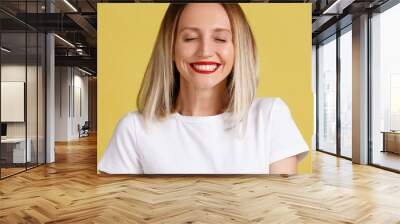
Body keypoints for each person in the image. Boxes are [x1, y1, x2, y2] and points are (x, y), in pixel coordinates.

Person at [98, 3, 309, 174]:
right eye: (190, 38)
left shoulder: (270, 116)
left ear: (238, 49)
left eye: (221, 39)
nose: (205, 51)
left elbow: (281, 209)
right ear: (170, 48)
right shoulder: (133, 128)